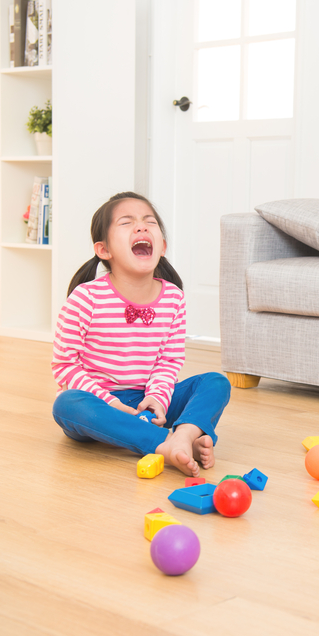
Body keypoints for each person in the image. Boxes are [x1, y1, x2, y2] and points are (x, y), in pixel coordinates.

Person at [51, 192, 231, 477]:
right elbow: (65, 365)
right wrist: (111, 402)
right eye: (126, 222)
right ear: (103, 250)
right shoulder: (85, 298)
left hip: (149, 402)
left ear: (162, 247)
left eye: (150, 222)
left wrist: (158, 399)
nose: (141, 227)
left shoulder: (173, 298)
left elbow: (169, 361)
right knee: (66, 405)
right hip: (101, 406)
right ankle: (165, 443)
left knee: (215, 382)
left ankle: (183, 435)